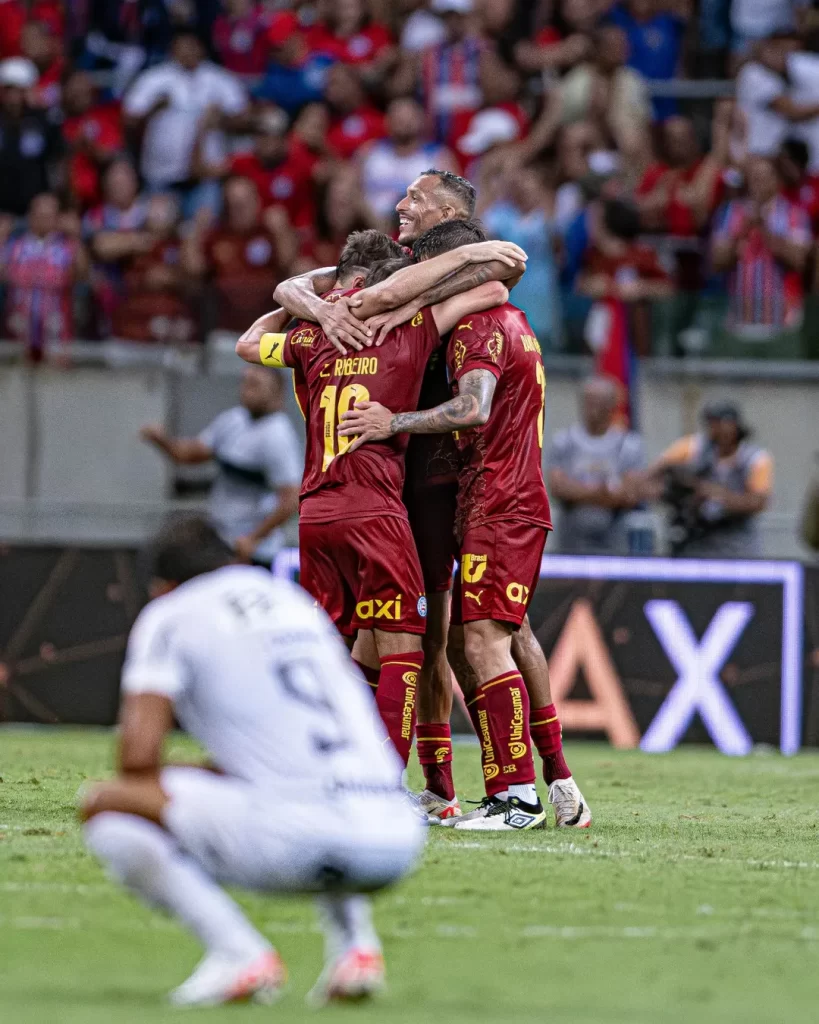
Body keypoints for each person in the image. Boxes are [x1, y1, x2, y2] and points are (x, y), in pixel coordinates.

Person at [81, 516, 423, 1008]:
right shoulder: (292, 603)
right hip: (396, 837)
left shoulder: (171, 614)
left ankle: (238, 953)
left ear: (163, 585)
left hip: (296, 843)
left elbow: (137, 759)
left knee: (108, 805)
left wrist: (200, 771)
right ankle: (356, 949)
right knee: (309, 780)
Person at [236, 229, 525, 773]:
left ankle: (310, 771)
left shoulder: (311, 338)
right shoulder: (408, 328)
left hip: (314, 513)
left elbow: (249, 342)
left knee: (324, 652)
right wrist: (415, 297)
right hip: (374, 510)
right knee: (405, 649)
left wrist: (317, 303)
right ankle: (383, 783)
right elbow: (495, 291)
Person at [339, 252, 591, 832]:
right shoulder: (428, 303)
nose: (404, 214)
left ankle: (535, 784)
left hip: (474, 490)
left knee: (489, 636)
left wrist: (393, 420)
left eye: (415, 210)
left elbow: (502, 278)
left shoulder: (469, 311)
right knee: (448, 638)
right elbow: (294, 295)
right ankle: (446, 788)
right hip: (439, 491)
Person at [140, 367, 301, 566]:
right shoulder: (233, 420)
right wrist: (162, 440)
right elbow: (188, 455)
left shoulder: (278, 435)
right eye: (245, 383)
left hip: (252, 552)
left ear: (277, 392)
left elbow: (290, 500)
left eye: (255, 385)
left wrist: (253, 539)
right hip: (220, 540)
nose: (246, 390)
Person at [123, 29, 248, 219]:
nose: (187, 51)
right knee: (159, 229)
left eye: (192, 46)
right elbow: (129, 119)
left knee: (202, 229)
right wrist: (154, 108)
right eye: (182, 46)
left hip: (205, 176)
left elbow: (243, 118)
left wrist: (221, 118)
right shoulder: (154, 78)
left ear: (201, 48)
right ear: (172, 49)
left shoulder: (220, 79)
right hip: (161, 175)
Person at [644, 402, 773, 557]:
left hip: (737, 543)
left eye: (723, 424)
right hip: (695, 539)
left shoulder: (754, 459)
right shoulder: (693, 447)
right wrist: (679, 490)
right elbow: (652, 475)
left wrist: (717, 496)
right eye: (713, 424)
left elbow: (758, 502)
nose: (719, 431)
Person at [711, 154, 810, 354]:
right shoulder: (729, 212)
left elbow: (799, 261)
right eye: (754, 176)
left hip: (783, 324)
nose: (758, 182)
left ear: (777, 179)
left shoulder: (795, 214)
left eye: (765, 176)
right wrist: (741, 232)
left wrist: (765, 229)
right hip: (738, 322)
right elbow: (717, 261)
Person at [547, 376, 647, 554]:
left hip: (614, 538)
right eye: (588, 401)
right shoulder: (563, 442)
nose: (592, 407)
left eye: (599, 401)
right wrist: (604, 492)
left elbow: (629, 494)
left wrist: (577, 491)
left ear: (612, 405)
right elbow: (557, 489)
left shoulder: (629, 445)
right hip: (571, 539)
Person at [1, 192, 87, 359]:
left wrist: (76, 236)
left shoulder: (67, 247)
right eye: (39, 215)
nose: (43, 220)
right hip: (19, 329)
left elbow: (83, 274)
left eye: (48, 216)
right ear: (30, 216)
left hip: (55, 330)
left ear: (57, 218)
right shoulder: (15, 246)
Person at [359, 98, 457, 228]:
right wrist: (372, 219)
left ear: (421, 121)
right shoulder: (369, 152)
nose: (404, 122)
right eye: (398, 118)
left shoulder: (439, 157)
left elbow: (454, 201)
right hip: (369, 226)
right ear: (387, 120)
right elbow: (351, 190)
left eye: (409, 117)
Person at [0, 56, 63, 217]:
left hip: (39, 207)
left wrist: (54, 199)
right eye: (9, 90)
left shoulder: (45, 122)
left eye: (19, 90)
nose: (14, 97)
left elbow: (57, 163)